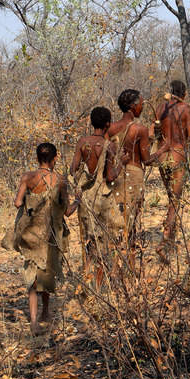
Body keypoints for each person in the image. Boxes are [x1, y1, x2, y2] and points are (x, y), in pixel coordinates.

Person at [4, 142, 77, 334]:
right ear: (55, 159)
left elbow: (18, 202)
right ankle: (45, 312)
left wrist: (32, 202)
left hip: (32, 234)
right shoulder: (60, 180)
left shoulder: (28, 177)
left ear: (37, 159)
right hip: (51, 233)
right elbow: (68, 211)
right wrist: (78, 199)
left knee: (33, 277)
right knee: (48, 270)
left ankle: (34, 321)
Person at [107, 89, 168, 271]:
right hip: (133, 176)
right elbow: (147, 160)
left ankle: (117, 268)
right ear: (133, 107)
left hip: (115, 177)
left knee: (116, 222)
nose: (142, 107)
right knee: (131, 224)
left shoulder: (110, 128)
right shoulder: (138, 129)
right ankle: (131, 268)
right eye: (141, 104)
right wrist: (162, 149)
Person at [70, 107, 128, 287]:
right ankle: (98, 286)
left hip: (86, 198)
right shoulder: (109, 145)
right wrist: (122, 163)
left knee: (89, 241)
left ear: (91, 122)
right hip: (103, 197)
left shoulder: (82, 142)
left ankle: (87, 282)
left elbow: (73, 169)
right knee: (103, 242)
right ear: (108, 124)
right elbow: (110, 176)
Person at [153, 80, 190, 263]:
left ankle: (170, 242)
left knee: (172, 199)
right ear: (184, 94)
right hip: (178, 156)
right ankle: (163, 243)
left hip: (162, 157)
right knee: (174, 201)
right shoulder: (186, 108)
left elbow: (156, 132)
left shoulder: (159, 108)